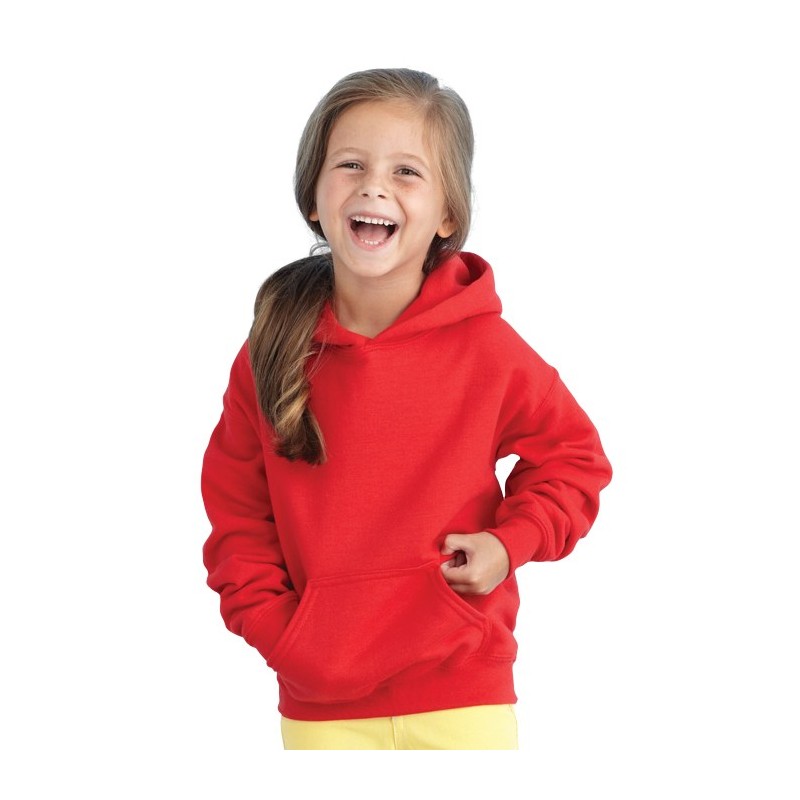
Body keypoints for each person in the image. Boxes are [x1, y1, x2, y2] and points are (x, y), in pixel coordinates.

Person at [201, 68, 612, 750]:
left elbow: (575, 460)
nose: (373, 186)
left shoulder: (487, 349)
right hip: (322, 711)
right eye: (351, 165)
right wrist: (287, 637)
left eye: (406, 172)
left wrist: (509, 544)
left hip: (464, 694)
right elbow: (238, 517)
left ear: (448, 214)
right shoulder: (270, 351)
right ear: (313, 196)